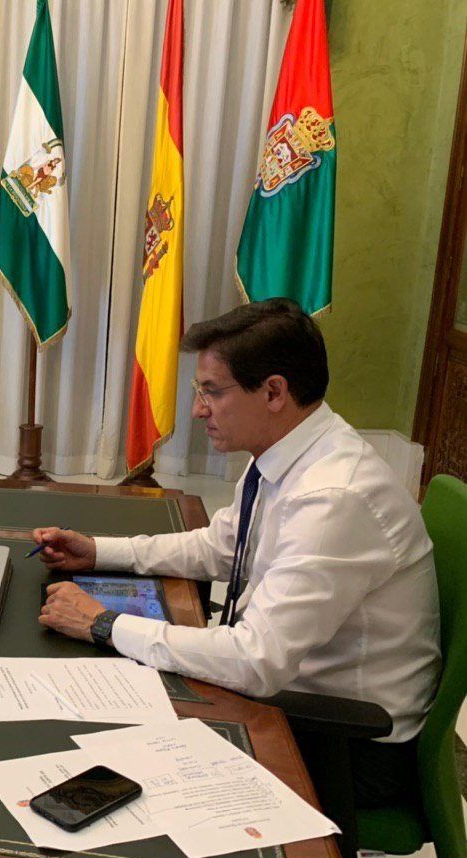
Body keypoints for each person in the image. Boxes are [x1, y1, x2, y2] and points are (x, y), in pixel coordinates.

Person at [34, 298, 441, 810]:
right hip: (293, 697)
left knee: (100, 754)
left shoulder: (334, 497)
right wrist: (97, 552)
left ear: (274, 392)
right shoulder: (288, 451)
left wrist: (103, 624)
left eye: (212, 392)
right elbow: (221, 547)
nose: (198, 410)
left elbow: (254, 661)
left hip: (344, 744)